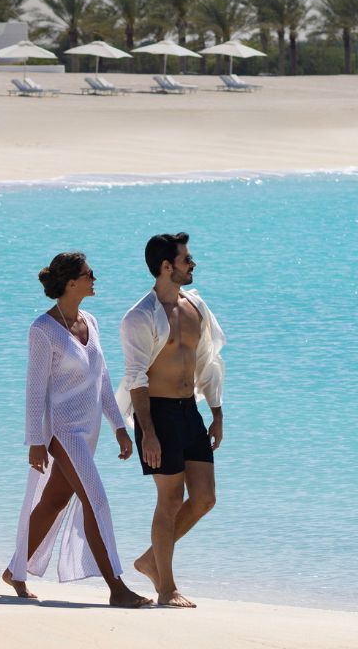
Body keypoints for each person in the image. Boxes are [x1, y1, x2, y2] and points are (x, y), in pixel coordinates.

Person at [2, 252, 151, 607]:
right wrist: (36, 441)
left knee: (53, 501)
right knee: (95, 500)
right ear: (71, 283)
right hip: (63, 432)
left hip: (90, 431)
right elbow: (34, 391)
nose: (94, 279)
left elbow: (102, 379)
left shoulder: (91, 321)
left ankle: (15, 570)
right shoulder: (42, 330)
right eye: (89, 274)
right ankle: (117, 588)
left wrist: (119, 425)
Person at [117, 233, 226, 608]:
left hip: (189, 412)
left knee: (205, 499)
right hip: (158, 413)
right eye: (186, 260)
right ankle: (166, 588)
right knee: (169, 500)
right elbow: (136, 377)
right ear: (167, 267)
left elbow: (208, 360)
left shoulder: (196, 306)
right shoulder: (140, 317)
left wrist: (216, 411)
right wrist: (147, 432)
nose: (192, 264)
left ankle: (150, 559)